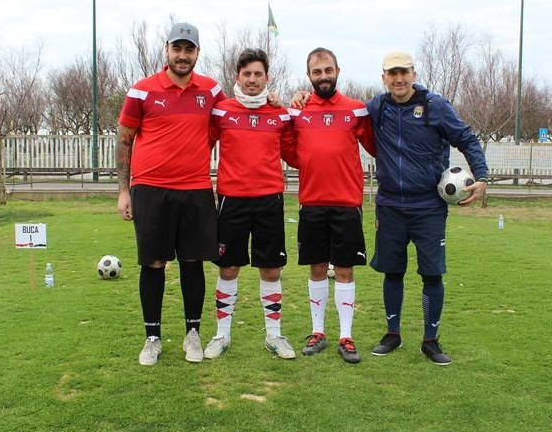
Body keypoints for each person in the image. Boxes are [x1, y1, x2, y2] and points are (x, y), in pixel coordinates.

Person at [367, 51, 488, 365]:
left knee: (432, 274)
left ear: (413, 73)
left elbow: (467, 139)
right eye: (392, 73)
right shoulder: (377, 107)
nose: (398, 79)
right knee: (392, 272)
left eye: (403, 72)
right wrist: (300, 98)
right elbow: (341, 114)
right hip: (390, 205)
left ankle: (431, 342)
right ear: (383, 78)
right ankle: (392, 335)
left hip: (428, 208)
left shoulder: (435, 106)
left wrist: (483, 176)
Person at [116, 22, 226, 366]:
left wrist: (273, 99)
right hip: (150, 190)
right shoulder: (142, 90)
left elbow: (238, 115)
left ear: (197, 53)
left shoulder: (211, 90)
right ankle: (152, 337)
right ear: (166, 50)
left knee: (193, 262)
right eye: (177, 48)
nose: (183, 55)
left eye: (189, 49)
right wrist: (123, 191)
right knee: (154, 262)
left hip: (195, 189)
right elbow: (123, 140)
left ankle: (193, 334)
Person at [203, 48, 298, 360]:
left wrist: (299, 106)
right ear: (237, 77)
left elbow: (295, 155)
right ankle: (222, 335)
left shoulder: (280, 115)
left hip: (270, 201)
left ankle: (274, 336)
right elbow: (199, 145)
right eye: (247, 74)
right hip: (232, 201)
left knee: (271, 270)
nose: (253, 79)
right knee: (228, 267)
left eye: (258, 74)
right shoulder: (221, 113)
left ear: (267, 77)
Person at [288, 47, 375, 364]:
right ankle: (318, 331)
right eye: (316, 72)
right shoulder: (297, 111)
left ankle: (346, 336)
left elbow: (377, 147)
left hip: (346, 203)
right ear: (308, 76)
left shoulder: (356, 110)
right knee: (317, 268)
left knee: (345, 269)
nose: (322, 76)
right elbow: (288, 150)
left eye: (327, 70)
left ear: (338, 70)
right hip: (311, 202)